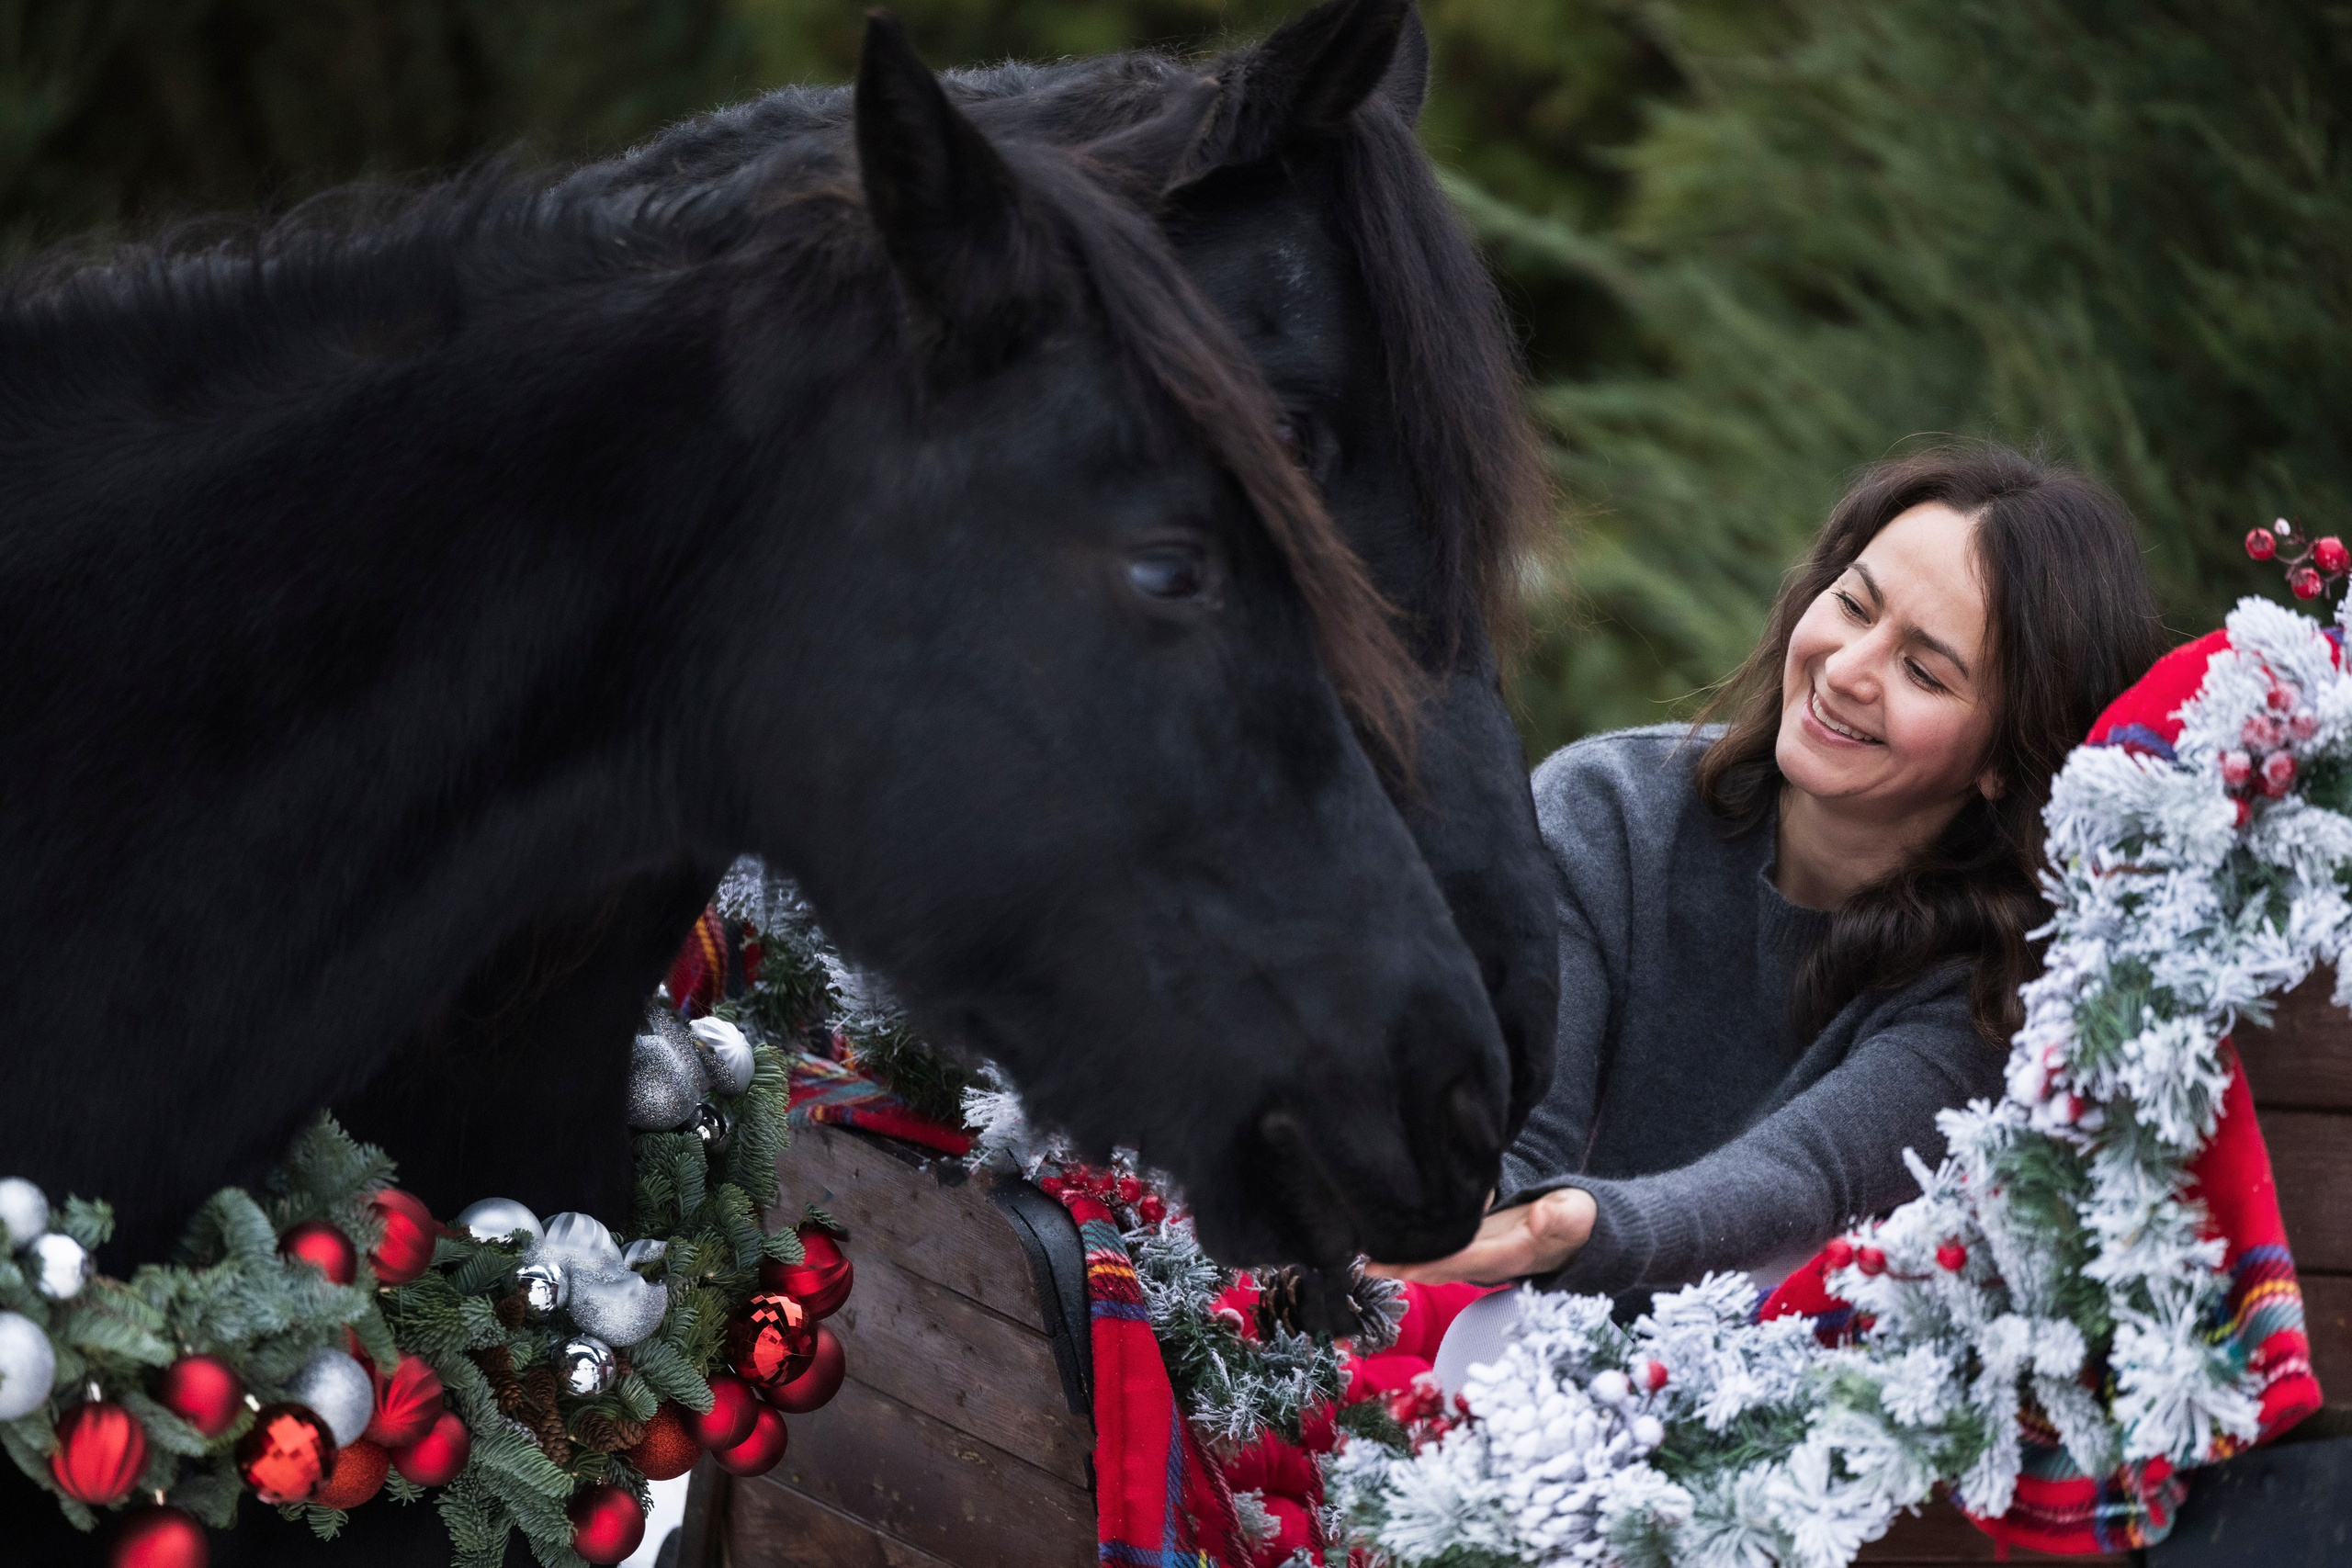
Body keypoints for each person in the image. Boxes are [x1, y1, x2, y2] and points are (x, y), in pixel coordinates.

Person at [1378, 445, 2167, 1297]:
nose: (1849, 668)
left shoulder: (1993, 987)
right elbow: (1516, 1140)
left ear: (2004, 762)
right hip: (1501, 1331)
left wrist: (1578, 1227)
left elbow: (1805, 1180)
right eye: (1854, 605)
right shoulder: (1607, 808)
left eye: (1923, 671)